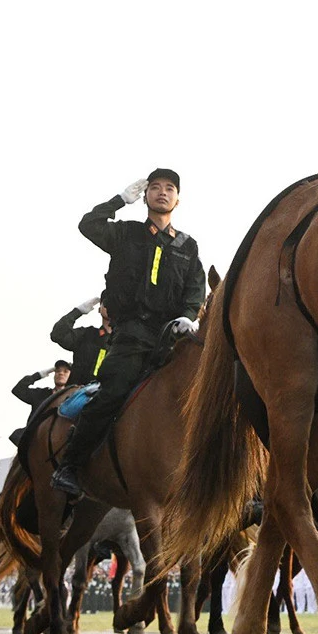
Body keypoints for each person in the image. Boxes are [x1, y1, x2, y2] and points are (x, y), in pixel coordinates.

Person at [51, 172, 204, 495]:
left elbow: (195, 291)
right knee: (112, 393)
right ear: (145, 195)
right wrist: (119, 200)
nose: (162, 193)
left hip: (172, 339)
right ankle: (72, 466)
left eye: (169, 188)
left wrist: (187, 317)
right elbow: (88, 225)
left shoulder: (188, 246)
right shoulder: (126, 233)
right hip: (131, 336)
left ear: (179, 199)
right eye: (155, 187)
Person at [49, 298, 112, 386]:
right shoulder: (87, 334)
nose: (109, 306)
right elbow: (58, 335)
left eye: (114, 302)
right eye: (106, 303)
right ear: (99, 309)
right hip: (78, 394)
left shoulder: (126, 340)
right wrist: (78, 311)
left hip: (109, 395)